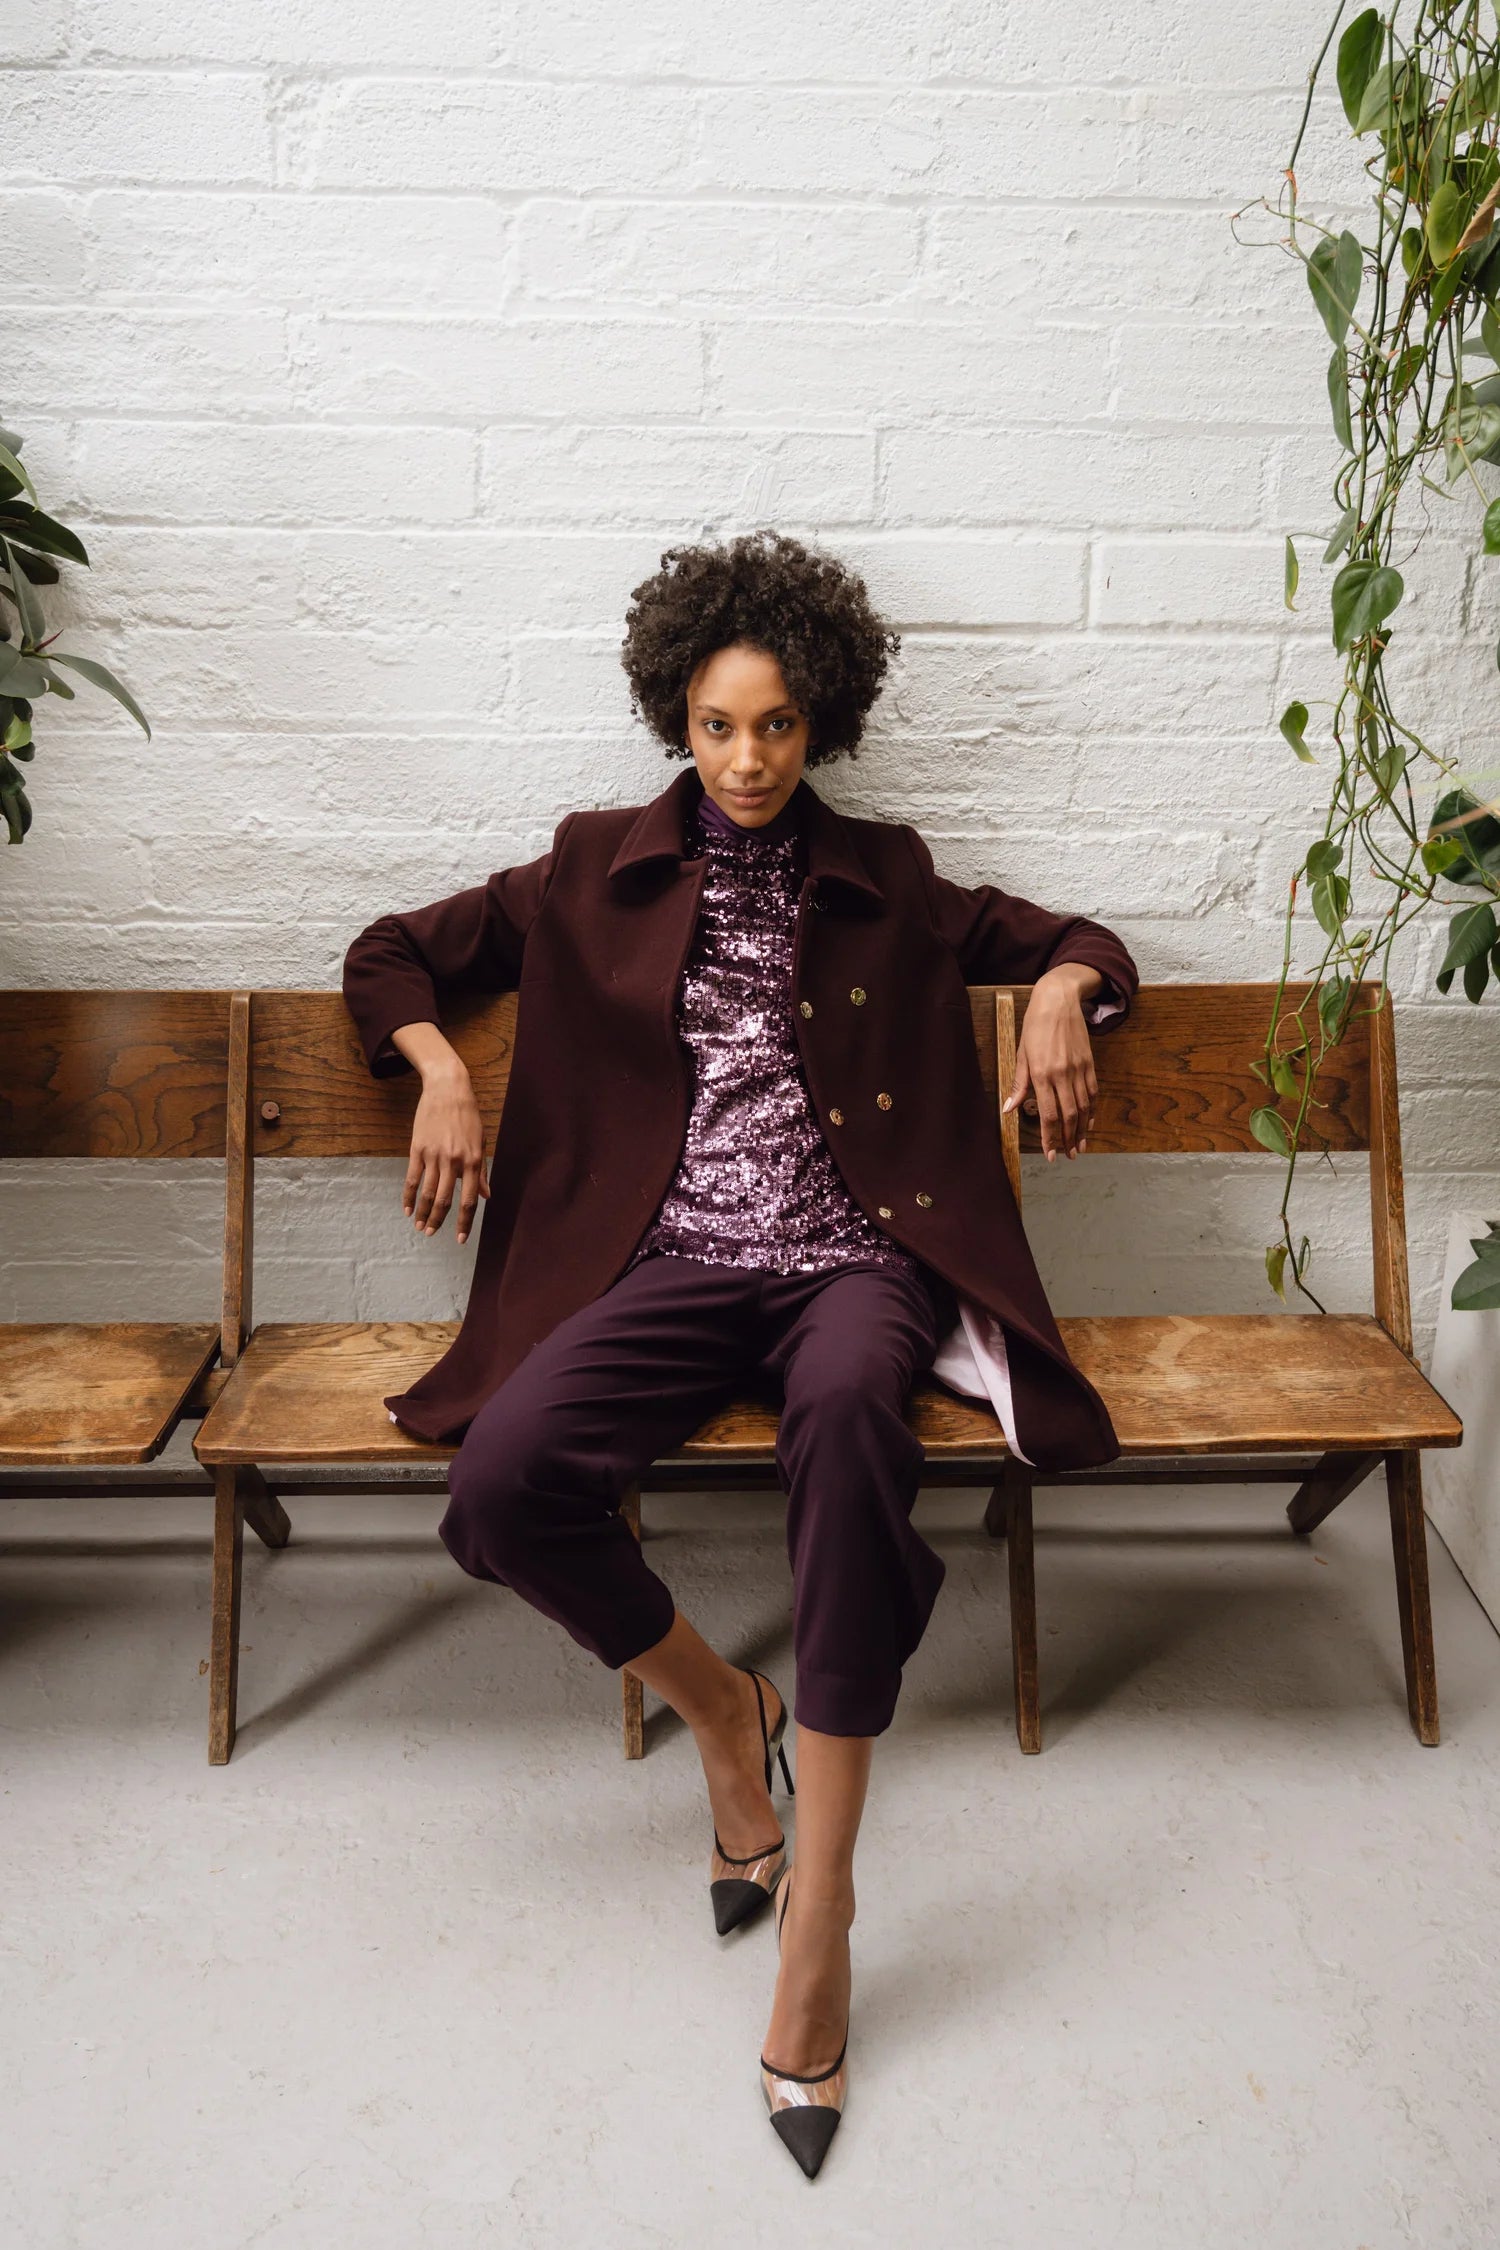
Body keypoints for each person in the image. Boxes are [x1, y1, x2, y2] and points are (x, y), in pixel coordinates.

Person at [342, 529, 1138, 2179]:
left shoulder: (894, 875)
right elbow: (389, 954)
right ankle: (723, 1711)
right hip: (678, 1265)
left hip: (857, 1263)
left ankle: (824, 1910)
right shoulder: (586, 869)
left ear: (820, 720)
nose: (749, 758)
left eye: (776, 725)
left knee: (853, 1420)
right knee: (497, 1486)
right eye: (717, 725)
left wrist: (1065, 982)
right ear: (675, 720)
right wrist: (436, 1065)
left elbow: (1084, 938)